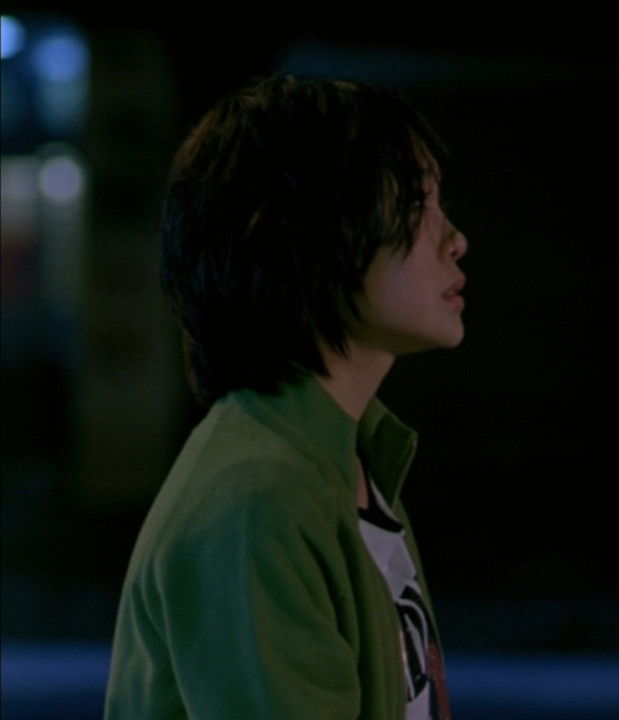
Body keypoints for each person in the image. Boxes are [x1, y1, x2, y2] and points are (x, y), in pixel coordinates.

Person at [104, 75, 467, 720]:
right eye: (417, 203)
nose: (454, 238)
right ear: (311, 232)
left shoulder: (350, 459)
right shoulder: (258, 497)